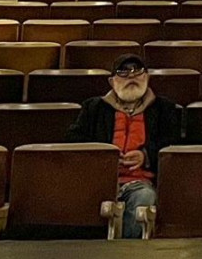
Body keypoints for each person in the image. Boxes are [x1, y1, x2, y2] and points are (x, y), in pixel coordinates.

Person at [65, 53, 182, 238]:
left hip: (140, 183)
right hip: (99, 182)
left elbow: (174, 144)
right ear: (112, 81)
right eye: (124, 73)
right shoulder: (93, 107)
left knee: (144, 198)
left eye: (137, 72)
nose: (132, 77)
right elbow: (73, 140)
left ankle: (125, 254)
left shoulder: (164, 109)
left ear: (147, 77)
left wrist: (145, 156)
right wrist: (105, 156)